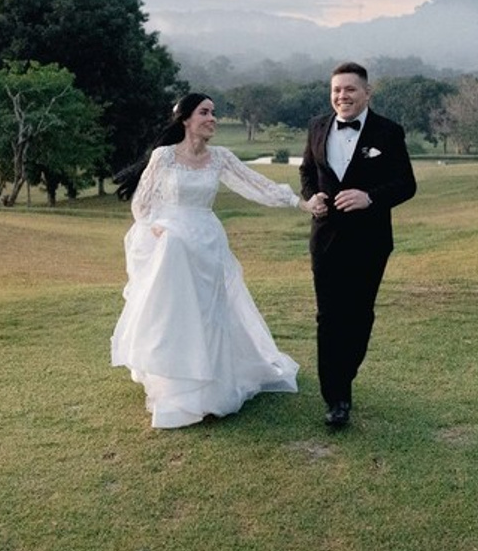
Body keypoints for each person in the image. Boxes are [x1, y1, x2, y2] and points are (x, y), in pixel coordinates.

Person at [111, 93, 326, 429]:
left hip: (207, 241)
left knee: (211, 313)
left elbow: (258, 185)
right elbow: (142, 205)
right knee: (177, 312)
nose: (212, 118)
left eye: (214, 112)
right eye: (205, 112)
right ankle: (176, 385)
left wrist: (301, 203)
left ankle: (212, 385)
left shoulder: (220, 158)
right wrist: (157, 229)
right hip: (171, 243)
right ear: (185, 119)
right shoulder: (163, 157)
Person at [300, 61, 416, 429]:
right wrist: (311, 198)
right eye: (336, 90)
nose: (342, 96)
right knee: (328, 317)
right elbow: (307, 171)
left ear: (367, 92)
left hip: (370, 241)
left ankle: (344, 376)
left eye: (350, 89)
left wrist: (370, 197)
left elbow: (406, 184)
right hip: (325, 238)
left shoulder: (388, 131)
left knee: (359, 315)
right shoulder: (317, 127)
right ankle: (336, 396)